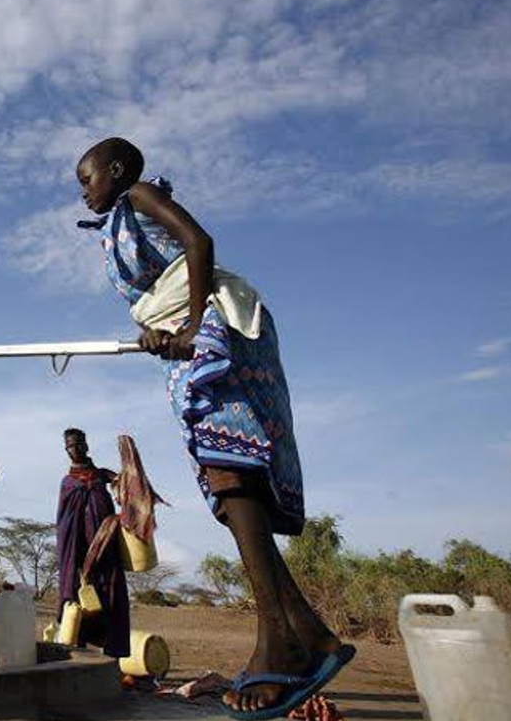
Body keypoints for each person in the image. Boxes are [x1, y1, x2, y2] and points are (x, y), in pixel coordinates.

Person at [75, 137, 352, 718]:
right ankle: (309, 633)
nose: (83, 189)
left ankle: (279, 639)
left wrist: (195, 326)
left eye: (88, 177)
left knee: (232, 469)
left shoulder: (142, 195)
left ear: (117, 172)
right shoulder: (117, 222)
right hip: (185, 327)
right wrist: (163, 330)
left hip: (215, 324)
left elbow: (199, 243)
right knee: (223, 474)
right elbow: (161, 289)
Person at [56, 428, 130, 658]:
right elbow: (64, 524)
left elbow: (128, 488)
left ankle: (113, 658)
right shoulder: (67, 483)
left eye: (78, 444)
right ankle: (77, 656)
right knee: (78, 603)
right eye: (69, 446)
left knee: (112, 596)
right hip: (79, 555)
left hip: (106, 550)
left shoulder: (102, 476)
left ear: (86, 446)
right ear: (65, 450)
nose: (74, 449)